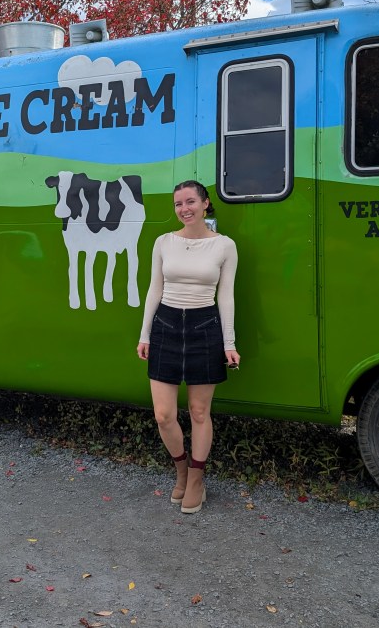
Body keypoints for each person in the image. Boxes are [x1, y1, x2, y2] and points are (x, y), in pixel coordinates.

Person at [137, 180, 239, 514]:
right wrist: (145, 335)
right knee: (164, 415)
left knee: (199, 412)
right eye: (178, 203)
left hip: (204, 327)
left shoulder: (224, 246)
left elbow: (225, 296)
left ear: (206, 203)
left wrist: (229, 342)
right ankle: (180, 467)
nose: (184, 209)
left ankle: (196, 477)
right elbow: (154, 289)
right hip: (165, 326)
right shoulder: (163, 242)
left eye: (191, 201)